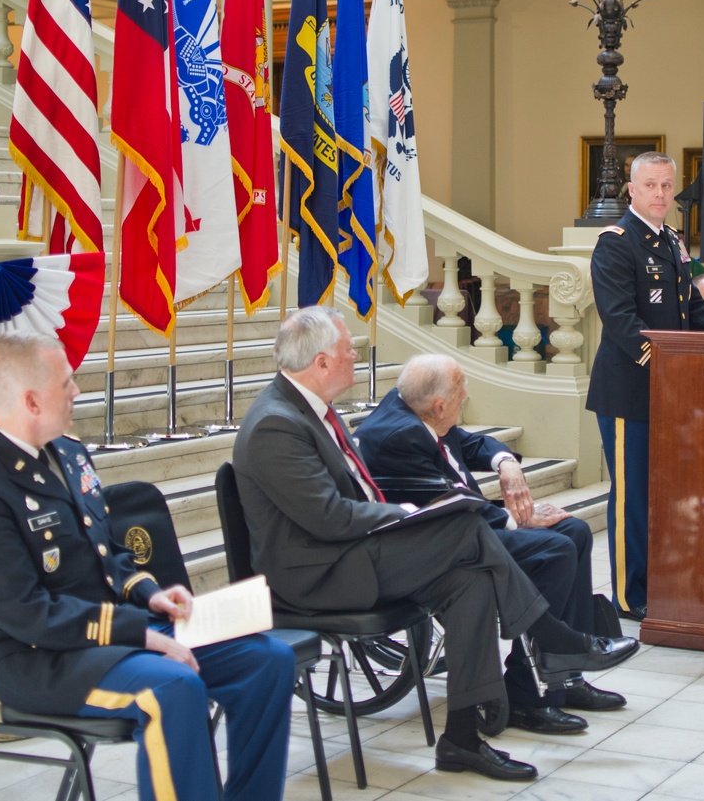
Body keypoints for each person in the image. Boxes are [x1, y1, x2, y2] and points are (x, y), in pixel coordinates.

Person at [233, 306, 639, 781]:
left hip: (350, 553)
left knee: (469, 581)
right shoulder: (275, 424)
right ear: (321, 362)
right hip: (317, 576)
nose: (354, 357)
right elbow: (329, 517)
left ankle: (462, 740)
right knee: (465, 525)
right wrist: (409, 514)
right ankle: (553, 641)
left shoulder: (310, 409)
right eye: (347, 350)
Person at [0, 332, 295, 801]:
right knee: (170, 688)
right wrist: (139, 632)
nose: (77, 391)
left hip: (114, 636)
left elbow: (105, 553)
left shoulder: (68, 453)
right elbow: (29, 614)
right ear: (30, 400)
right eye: (66, 383)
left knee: (268, 660)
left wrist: (150, 594)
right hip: (41, 661)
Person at [357, 353, 626, 734]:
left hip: (464, 525)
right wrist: (519, 519)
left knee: (576, 532)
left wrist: (506, 463)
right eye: (462, 391)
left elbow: (468, 442)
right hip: (442, 543)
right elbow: (449, 509)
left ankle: (566, 675)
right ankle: (526, 693)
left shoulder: (412, 404)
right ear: (440, 405)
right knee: (555, 548)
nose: (466, 396)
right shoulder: (399, 436)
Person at [586, 151, 704, 622]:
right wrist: (668, 365)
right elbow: (621, 321)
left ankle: (659, 581)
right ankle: (629, 594)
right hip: (630, 392)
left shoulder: (673, 243)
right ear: (632, 188)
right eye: (651, 186)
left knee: (663, 493)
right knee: (632, 495)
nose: (661, 194)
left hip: (669, 393)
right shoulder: (616, 243)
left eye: (667, 186)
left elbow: (693, 311)